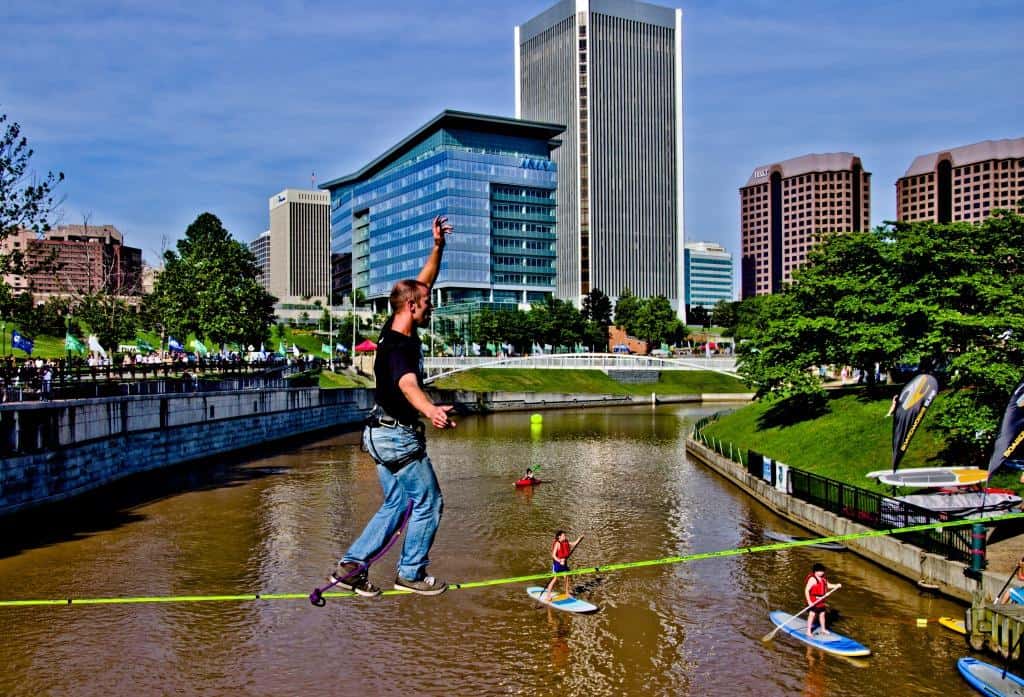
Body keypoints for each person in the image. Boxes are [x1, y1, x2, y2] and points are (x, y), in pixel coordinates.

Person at [330, 215, 455, 598]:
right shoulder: (400, 348)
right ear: (412, 306)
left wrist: (437, 247)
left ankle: (353, 567)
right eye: (427, 303)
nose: (431, 306)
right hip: (398, 437)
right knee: (429, 501)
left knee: (398, 502)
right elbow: (408, 384)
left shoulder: (393, 327)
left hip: (376, 434)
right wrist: (430, 409)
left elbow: (424, 281)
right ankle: (410, 572)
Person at [542, 530, 584, 601]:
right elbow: (553, 555)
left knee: (566, 577)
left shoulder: (565, 542)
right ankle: (548, 596)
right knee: (554, 579)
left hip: (564, 563)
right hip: (557, 564)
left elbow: (573, 544)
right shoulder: (557, 544)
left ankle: (567, 593)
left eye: (565, 535)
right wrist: (559, 560)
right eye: (563, 535)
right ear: (559, 537)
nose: (565, 536)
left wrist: (579, 538)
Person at [805, 563, 841, 636]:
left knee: (822, 614)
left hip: (821, 600)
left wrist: (836, 585)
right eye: (820, 571)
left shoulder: (823, 578)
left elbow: (828, 585)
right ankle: (808, 631)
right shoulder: (812, 579)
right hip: (813, 600)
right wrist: (809, 601)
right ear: (815, 571)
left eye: (822, 571)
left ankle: (823, 629)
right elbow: (806, 590)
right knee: (812, 615)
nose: (822, 573)